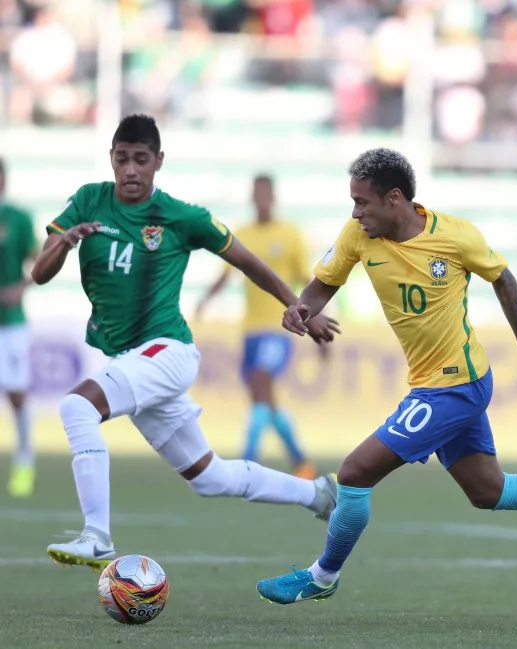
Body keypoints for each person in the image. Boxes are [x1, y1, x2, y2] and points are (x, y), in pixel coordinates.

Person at [255, 148, 517, 604]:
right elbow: (325, 283)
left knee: (354, 473)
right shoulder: (357, 235)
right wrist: (304, 308)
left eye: (363, 202)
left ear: (395, 199)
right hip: (434, 382)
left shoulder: (455, 236)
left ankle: (322, 577)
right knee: (489, 490)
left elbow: (504, 279)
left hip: (455, 384)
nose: (355, 212)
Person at [31, 114, 342, 570]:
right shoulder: (87, 200)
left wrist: (301, 307)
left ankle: (97, 537)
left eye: (141, 160)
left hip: (167, 352)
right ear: (111, 159)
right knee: (210, 477)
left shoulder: (181, 216)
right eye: (122, 159)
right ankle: (319, 494)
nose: (131, 170)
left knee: (77, 407)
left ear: (158, 161)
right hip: (133, 359)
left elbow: (247, 261)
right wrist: (65, 243)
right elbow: (40, 274)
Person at [196, 174, 317, 479]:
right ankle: (300, 461)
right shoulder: (243, 233)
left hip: (280, 329)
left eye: (265, 193)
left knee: (262, 381)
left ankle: (248, 459)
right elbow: (226, 274)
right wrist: (205, 302)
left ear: (273, 196)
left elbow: (307, 281)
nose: (261, 198)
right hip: (250, 331)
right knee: (264, 400)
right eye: (256, 193)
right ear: (252, 197)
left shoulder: (290, 234)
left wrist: (317, 323)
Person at [0, 157, 38, 497]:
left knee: (16, 394)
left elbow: (39, 262)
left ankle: (24, 463)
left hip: (10, 324)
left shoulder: (18, 219)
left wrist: (20, 287)